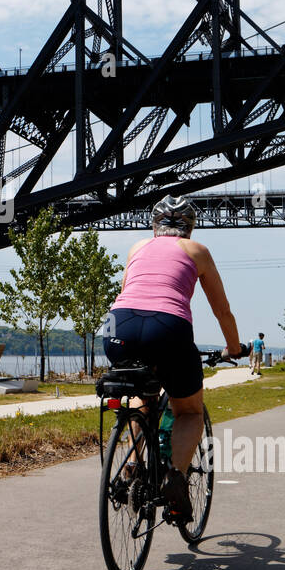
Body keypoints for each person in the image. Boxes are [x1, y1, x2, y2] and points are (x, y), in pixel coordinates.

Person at [103, 194, 241, 522]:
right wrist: (234, 348)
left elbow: (129, 293)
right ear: (190, 228)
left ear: (155, 226)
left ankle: (134, 465)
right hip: (168, 327)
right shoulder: (198, 251)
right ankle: (176, 479)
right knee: (189, 411)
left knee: (140, 397)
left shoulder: (137, 248)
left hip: (117, 326)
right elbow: (222, 310)